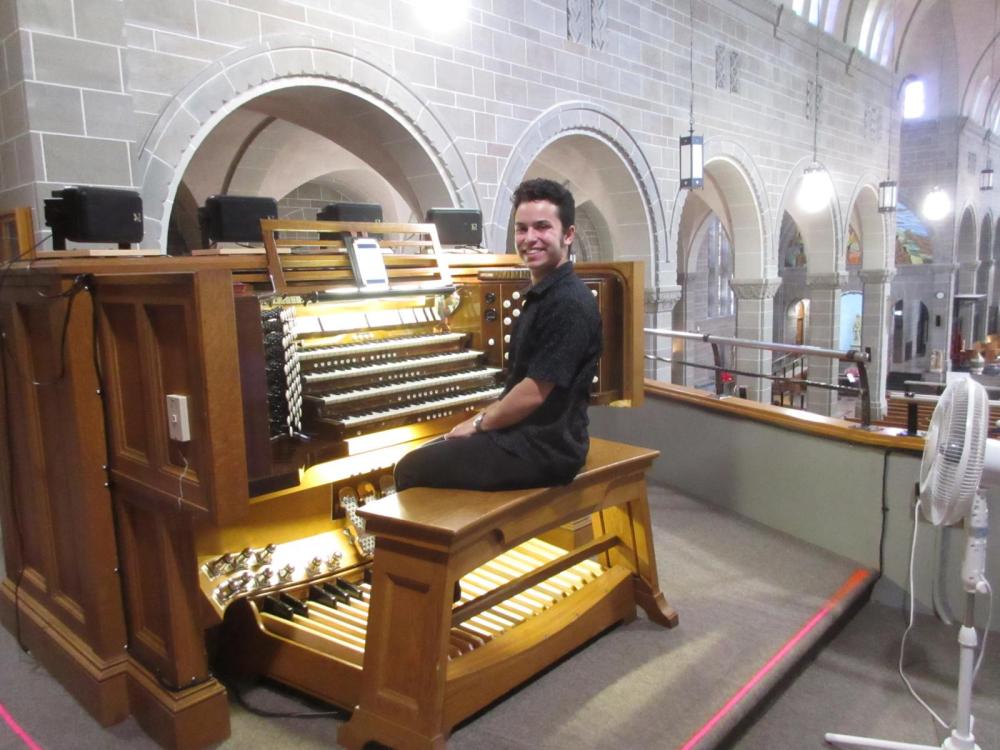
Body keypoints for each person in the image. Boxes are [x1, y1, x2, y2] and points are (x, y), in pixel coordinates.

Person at [394, 178, 602, 491]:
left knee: (410, 469)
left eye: (542, 227)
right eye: (522, 228)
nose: (529, 238)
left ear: (568, 234)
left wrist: (479, 422)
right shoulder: (547, 292)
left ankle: (458, 536)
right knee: (431, 450)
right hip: (534, 436)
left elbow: (533, 391)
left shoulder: (568, 301)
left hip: (543, 449)